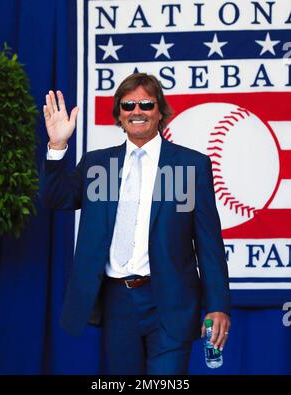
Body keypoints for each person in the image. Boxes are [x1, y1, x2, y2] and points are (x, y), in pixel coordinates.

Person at [40, 73, 231, 375]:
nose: (137, 111)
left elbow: (209, 243)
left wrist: (218, 304)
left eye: (146, 104)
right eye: (128, 105)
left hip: (170, 298)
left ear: (160, 111)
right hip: (118, 301)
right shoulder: (97, 164)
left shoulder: (191, 165)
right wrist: (56, 145)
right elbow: (56, 199)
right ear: (119, 113)